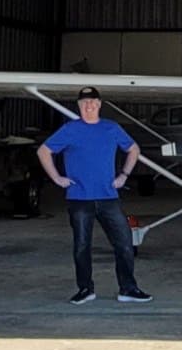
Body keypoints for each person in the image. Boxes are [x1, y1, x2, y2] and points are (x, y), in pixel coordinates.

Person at [38, 87, 151, 305]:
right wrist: (57, 178)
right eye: (84, 103)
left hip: (108, 197)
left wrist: (124, 175)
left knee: (125, 243)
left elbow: (133, 149)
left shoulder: (111, 128)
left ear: (99, 104)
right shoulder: (70, 129)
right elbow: (43, 151)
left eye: (93, 102)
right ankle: (85, 289)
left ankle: (128, 288)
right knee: (81, 245)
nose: (89, 106)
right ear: (79, 106)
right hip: (79, 198)